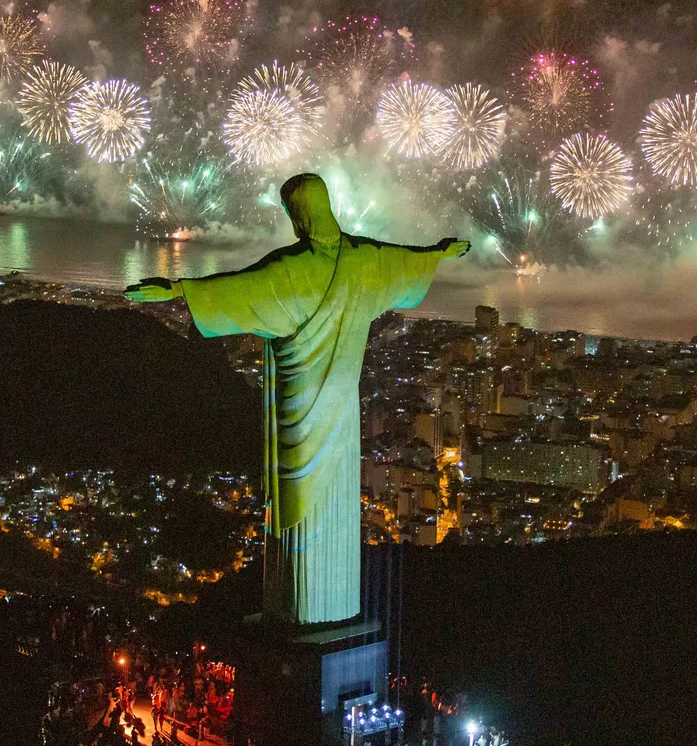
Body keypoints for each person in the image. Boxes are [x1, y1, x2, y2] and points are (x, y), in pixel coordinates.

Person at [127, 173, 468, 625]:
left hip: (298, 409)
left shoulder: (291, 270)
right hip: (342, 413)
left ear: (299, 214)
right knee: (335, 500)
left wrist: (178, 290)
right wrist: (438, 254)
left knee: (296, 503)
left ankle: (299, 609)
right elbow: (405, 262)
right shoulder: (365, 260)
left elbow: (237, 289)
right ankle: (333, 605)